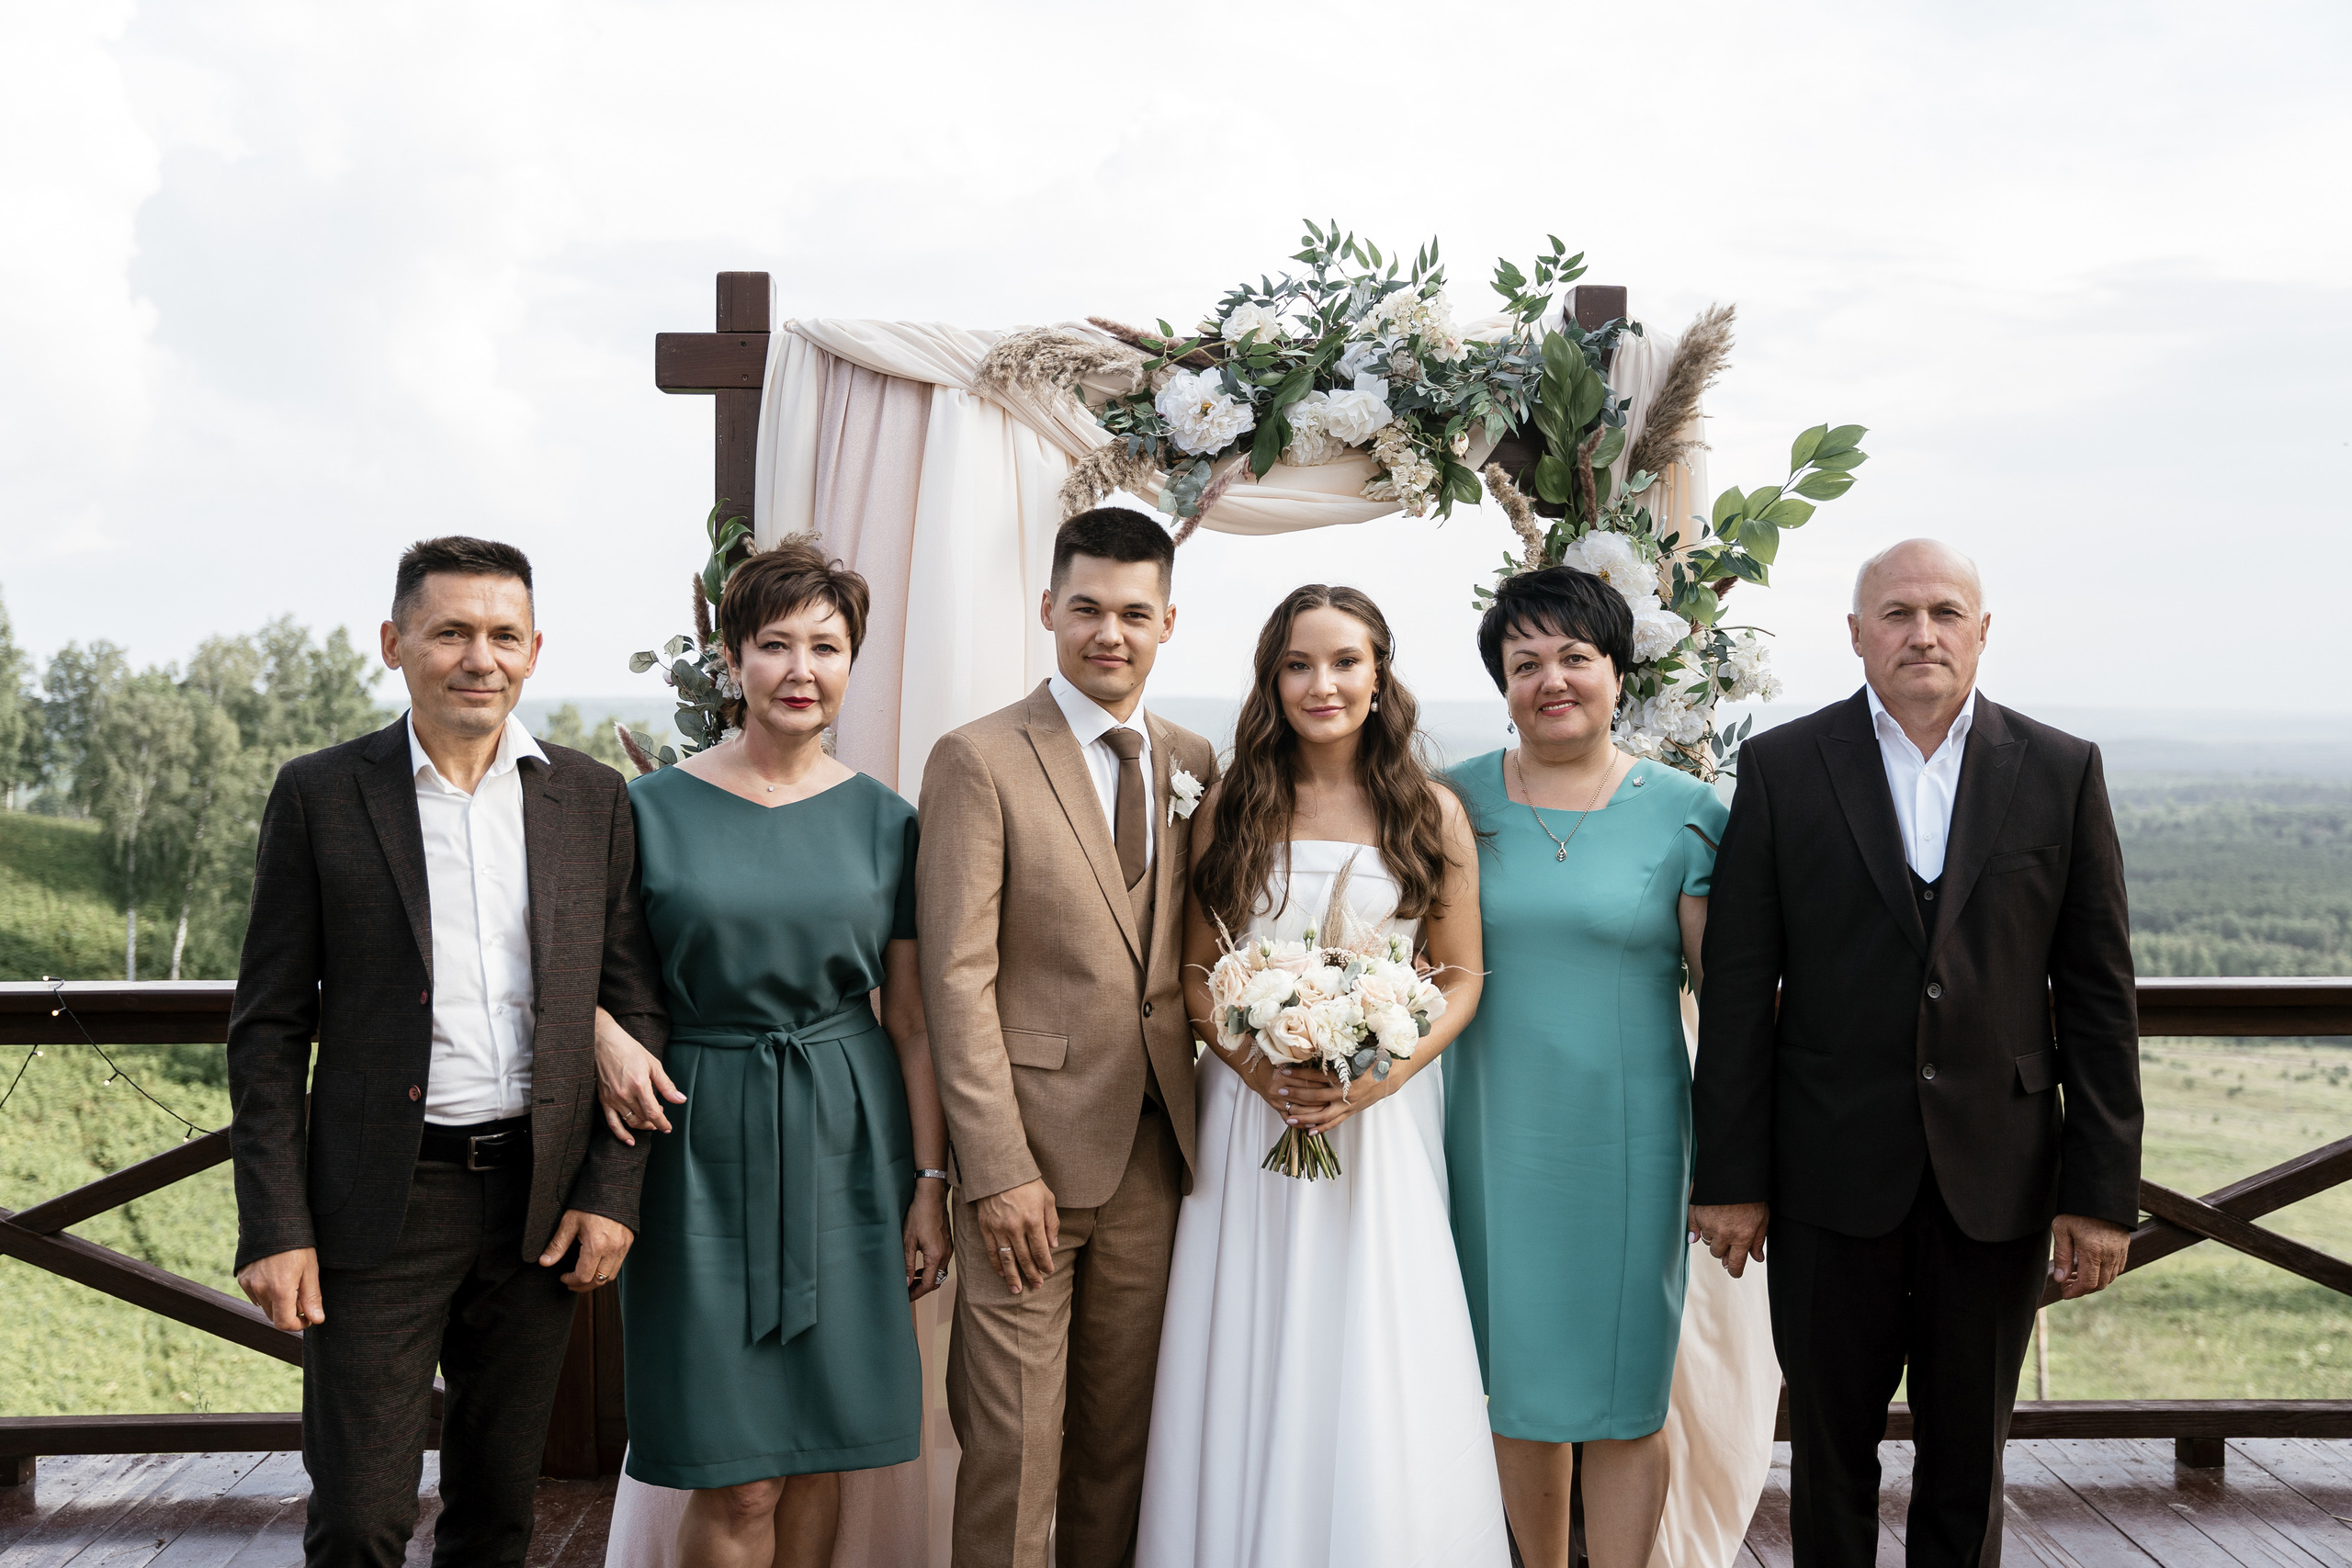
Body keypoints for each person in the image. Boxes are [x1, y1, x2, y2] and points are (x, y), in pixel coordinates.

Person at [1690, 538, 2143, 1568]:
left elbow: (2097, 998)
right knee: (1828, 1462)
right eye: (1895, 613)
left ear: (1982, 632)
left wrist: (2101, 1189)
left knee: (1967, 1464)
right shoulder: (1781, 766)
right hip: (1825, 1172)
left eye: (1945, 611)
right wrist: (1730, 1176)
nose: (1922, 632)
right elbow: (1734, 988)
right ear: (1855, 636)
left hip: (1999, 1174)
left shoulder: (2062, 770)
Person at [227, 536, 666, 1567]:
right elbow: (268, 1027)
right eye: (451, 632)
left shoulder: (591, 800)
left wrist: (612, 1191)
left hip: (539, 1201)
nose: (481, 657)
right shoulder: (321, 795)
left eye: (503, 635)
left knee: (497, 1512)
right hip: (381, 1204)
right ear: (395, 643)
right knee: (361, 1515)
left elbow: (632, 1003)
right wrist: (275, 1223)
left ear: (534, 650)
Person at [588, 538, 950, 1568]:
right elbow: (584, 968)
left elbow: (914, 1022)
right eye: (776, 645)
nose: (802, 670)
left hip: (848, 1136)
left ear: (851, 662)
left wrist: (930, 1182)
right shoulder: (647, 809)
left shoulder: (891, 822)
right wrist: (599, 1030)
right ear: (732, 659)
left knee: (816, 1453)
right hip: (697, 1145)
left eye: (826, 647)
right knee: (738, 1474)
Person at [1136, 584, 1501, 1568]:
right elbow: (1194, 974)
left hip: (1379, 1119)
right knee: (1246, 1339)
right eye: (1298, 664)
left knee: (1372, 1338)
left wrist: (1380, 1076)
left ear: (1381, 676)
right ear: (1272, 680)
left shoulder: (1431, 811)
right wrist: (1263, 1072)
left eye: (1345, 662)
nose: (1322, 684)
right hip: (1251, 1119)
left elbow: (1461, 978)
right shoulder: (1231, 805)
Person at [915, 505, 1220, 1568]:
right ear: (1047, 608)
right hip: (1026, 1167)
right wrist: (993, 1171)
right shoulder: (978, 758)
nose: (1109, 632)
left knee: (1116, 1451)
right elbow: (955, 981)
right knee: (1008, 1455)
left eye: (1134, 613)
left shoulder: (1193, 760)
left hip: (1154, 1159)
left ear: (1168, 622)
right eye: (1085, 607)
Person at [1441, 565, 1727, 1568]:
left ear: (1617, 672)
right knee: (1515, 1387)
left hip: (1629, 1140)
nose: (1551, 680)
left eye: (1575, 657)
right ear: (1501, 684)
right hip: (1487, 1134)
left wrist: (1735, 1167)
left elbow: (1726, 1002)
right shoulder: (1449, 801)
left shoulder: (1689, 810)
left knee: (1620, 1395)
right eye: (1525, 664)